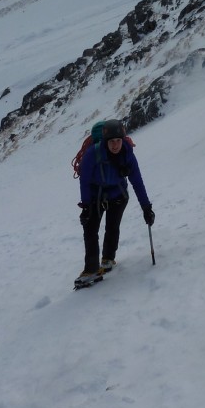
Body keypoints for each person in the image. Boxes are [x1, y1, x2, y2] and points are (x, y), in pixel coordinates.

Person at [75, 119, 154, 287]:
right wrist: (86, 206)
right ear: (105, 141)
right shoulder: (93, 154)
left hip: (118, 195)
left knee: (112, 226)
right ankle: (91, 269)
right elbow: (85, 180)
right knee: (90, 230)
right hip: (96, 195)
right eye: (112, 141)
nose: (115, 145)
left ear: (123, 140)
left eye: (118, 140)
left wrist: (146, 208)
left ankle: (108, 259)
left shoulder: (128, 154)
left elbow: (137, 181)